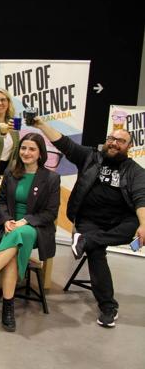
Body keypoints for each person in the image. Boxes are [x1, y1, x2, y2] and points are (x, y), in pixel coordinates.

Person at [34, 117, 145, 328]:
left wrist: (144, 223)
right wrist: (40, 125)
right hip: (89, 219)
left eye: (120, 141)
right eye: (112, 138)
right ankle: (108, 307)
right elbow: (64, 144)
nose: (114, 143)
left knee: (119, 233)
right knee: (96, 253)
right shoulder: (90, 157)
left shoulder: (135, 171)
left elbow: (141, 198)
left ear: (128, 147)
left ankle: (85, 240)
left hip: (120, 221)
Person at [0, 133, 60, 332]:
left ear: (40, 153)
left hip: (35, 228)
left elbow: (50, 213)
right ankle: (7, 308)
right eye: (24, 148)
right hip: (9, 226)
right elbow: (0, 203)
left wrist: (25, 221)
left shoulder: (51, 178)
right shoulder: (11, 173)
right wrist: (7, 220)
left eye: (32, 149)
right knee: (12, 252)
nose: (26, 153)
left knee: (20, 234)